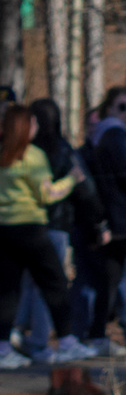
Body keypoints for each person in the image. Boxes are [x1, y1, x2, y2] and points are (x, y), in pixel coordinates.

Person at [0, 105, 88, 368]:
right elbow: (47, 194)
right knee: (55, 283)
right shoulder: (33, 155)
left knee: (8, 290)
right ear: (25, 127)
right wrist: (71, 180)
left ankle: (3, 347)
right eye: (32, 123)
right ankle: (67, 340)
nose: (36, 127)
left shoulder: (3, 153)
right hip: (31, 229)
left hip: (4, 230)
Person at [82, 87, 126, 353]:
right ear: (108, 109)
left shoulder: (107, 135)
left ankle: (98, 335)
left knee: (111, 280)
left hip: (115, 218)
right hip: (124, 219)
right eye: (122, 107)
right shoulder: (115, 135)